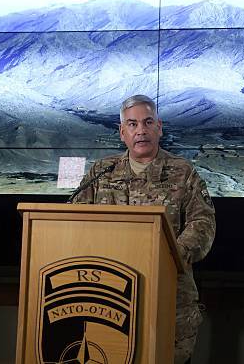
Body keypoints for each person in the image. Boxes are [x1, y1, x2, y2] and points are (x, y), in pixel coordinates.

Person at [72, 94, 216, 364]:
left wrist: (171, 254)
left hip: (169, 300)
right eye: (133, 124)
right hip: (107, 299)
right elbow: (75, 222)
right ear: (122, 132)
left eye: (148, 122)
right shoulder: (102, 171)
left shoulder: (182, 172)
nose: (141, 130)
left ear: (159, 128)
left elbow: (203, 223)